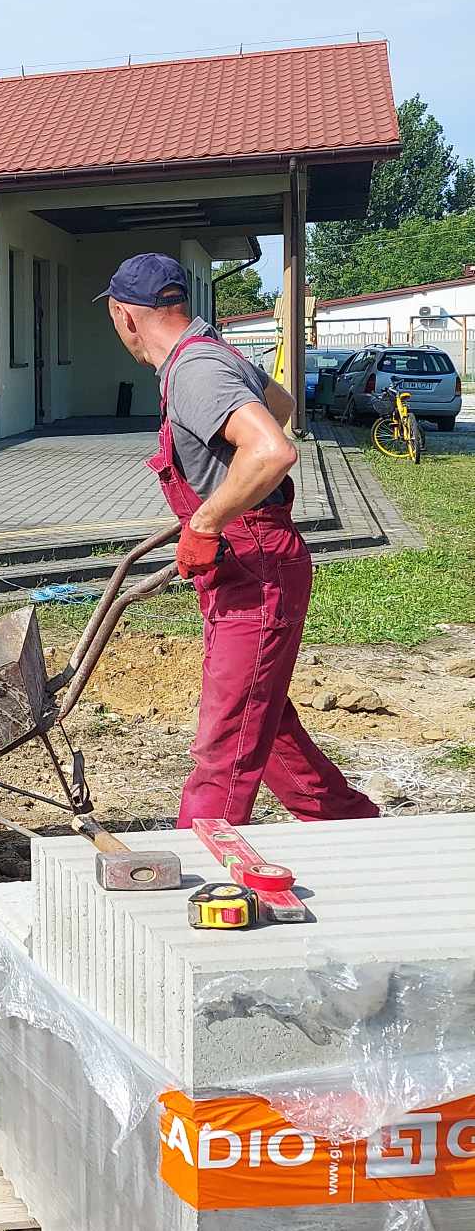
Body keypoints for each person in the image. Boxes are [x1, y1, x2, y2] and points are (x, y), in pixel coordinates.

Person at [99, 253, 379, 828]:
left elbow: (273, 450)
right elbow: (283, 406)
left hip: (256, 566)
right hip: (247, 562)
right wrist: (215, 498)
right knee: (263, 720)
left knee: (224, 747)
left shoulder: (195, 370)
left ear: (124, 315)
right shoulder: (212, 354)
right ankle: (351, 827)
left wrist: (205, 521)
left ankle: (203, 866)